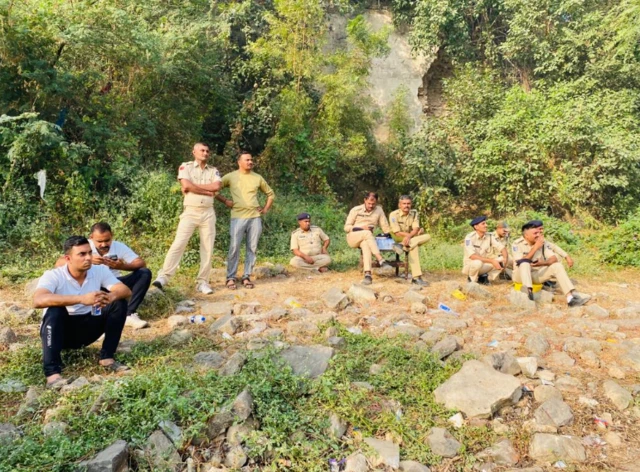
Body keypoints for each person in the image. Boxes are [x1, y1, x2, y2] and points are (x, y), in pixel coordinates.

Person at [34, 236, 132, 389]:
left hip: (89, 328)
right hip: (61, 333)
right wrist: (80, 299)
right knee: (55, 310)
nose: (88, 258)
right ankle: (52, 375)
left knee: (118, 303)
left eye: (89, 253)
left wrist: (110, 296)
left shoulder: (98, 270)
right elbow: (38, 300)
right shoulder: (54, 275)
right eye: (82, 254)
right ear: (68, 258)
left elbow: (125, 290)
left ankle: (107, 358)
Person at [152, 143, 221, 294]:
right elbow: (185, 185)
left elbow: (216, 187)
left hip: (208, 213)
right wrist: (204, 190)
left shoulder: (213, 170)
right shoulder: (186, 167)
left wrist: (194, 187)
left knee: (207, 248)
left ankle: (202, 282)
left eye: (207, 151)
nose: (205, 153)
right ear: (194, 152)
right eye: (202, 150)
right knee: (179, 244)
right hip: (190, 211)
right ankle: (164, 276)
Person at [56, 222, 152, 329]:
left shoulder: (118, 246)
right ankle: (94, 319)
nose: (104, 244)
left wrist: (122, 266)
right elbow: (59, 263)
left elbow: (141, 263)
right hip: (93, 285)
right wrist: (89, 259)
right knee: (89, 285)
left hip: (113, 284)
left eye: (107, 240)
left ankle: (129, 314)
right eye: (99, 241)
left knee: (144, 273)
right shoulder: (84, 247)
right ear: (91, 237)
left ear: (112, 235)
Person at [215, 151, 275, 290]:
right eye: (247, 160)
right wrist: (225, 201)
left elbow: (270, 194)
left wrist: (265, 209)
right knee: (234, 247)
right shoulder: (230, 176)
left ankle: (246, 276)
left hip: (255, 217)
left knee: (252, 248)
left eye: (251, 159)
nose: (250, 162)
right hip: (238, 217)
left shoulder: (257, 177)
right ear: (239, 162)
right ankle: (230, 278)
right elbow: (215, 190)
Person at [512, 221, 590, 306]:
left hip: (535, 275)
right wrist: (535, 248)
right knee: (524, 263)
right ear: (526, 235)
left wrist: (543, 263)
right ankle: (528, 292)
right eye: (535, 233)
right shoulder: (516, 244)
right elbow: (520, 261)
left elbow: (554, 258)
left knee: (557, 265)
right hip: (520, 276)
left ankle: (570, 299)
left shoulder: (542, 243)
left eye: (539, 232)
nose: (538, 235)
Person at [344, 192, 392, 285]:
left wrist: (391, 236)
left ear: (376, 202)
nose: (371, 206)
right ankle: (381, 260)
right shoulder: (356, 210)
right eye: (369, 203)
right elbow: (346, 228)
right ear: (365, 200)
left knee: (366, 245)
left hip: (366, 238)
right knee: (367, 233)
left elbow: (385, 226)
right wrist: (362, 228)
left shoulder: (379, 210)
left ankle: (367, 275)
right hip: (353, 237)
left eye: (373, 204)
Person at [388, 195, 431, 286]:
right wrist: (409, 236)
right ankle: (416, 278)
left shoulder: (414, 213)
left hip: (409, 238)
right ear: (399, 205)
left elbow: (416, 228)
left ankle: (401, 246)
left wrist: (409, 237)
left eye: (408, 203)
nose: (406, 206)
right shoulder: (393, 214)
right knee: (414, 245)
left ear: (411, 204)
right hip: (398, 237)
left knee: (427, 236)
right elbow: (397, 232)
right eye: (404, 204)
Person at [462, 216, 508, 285]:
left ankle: (484, 277)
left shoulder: (489, 236)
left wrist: (505, 259)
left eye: (486, 223)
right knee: (477, 262)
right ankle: (471, 279)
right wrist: (492, 261)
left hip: (483, 264)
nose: (486, 225)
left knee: (502, 260)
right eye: (483, 224)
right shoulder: (469, 237)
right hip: (470, 266)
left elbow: (502, 248)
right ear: (476, 227)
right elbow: (472, 256)